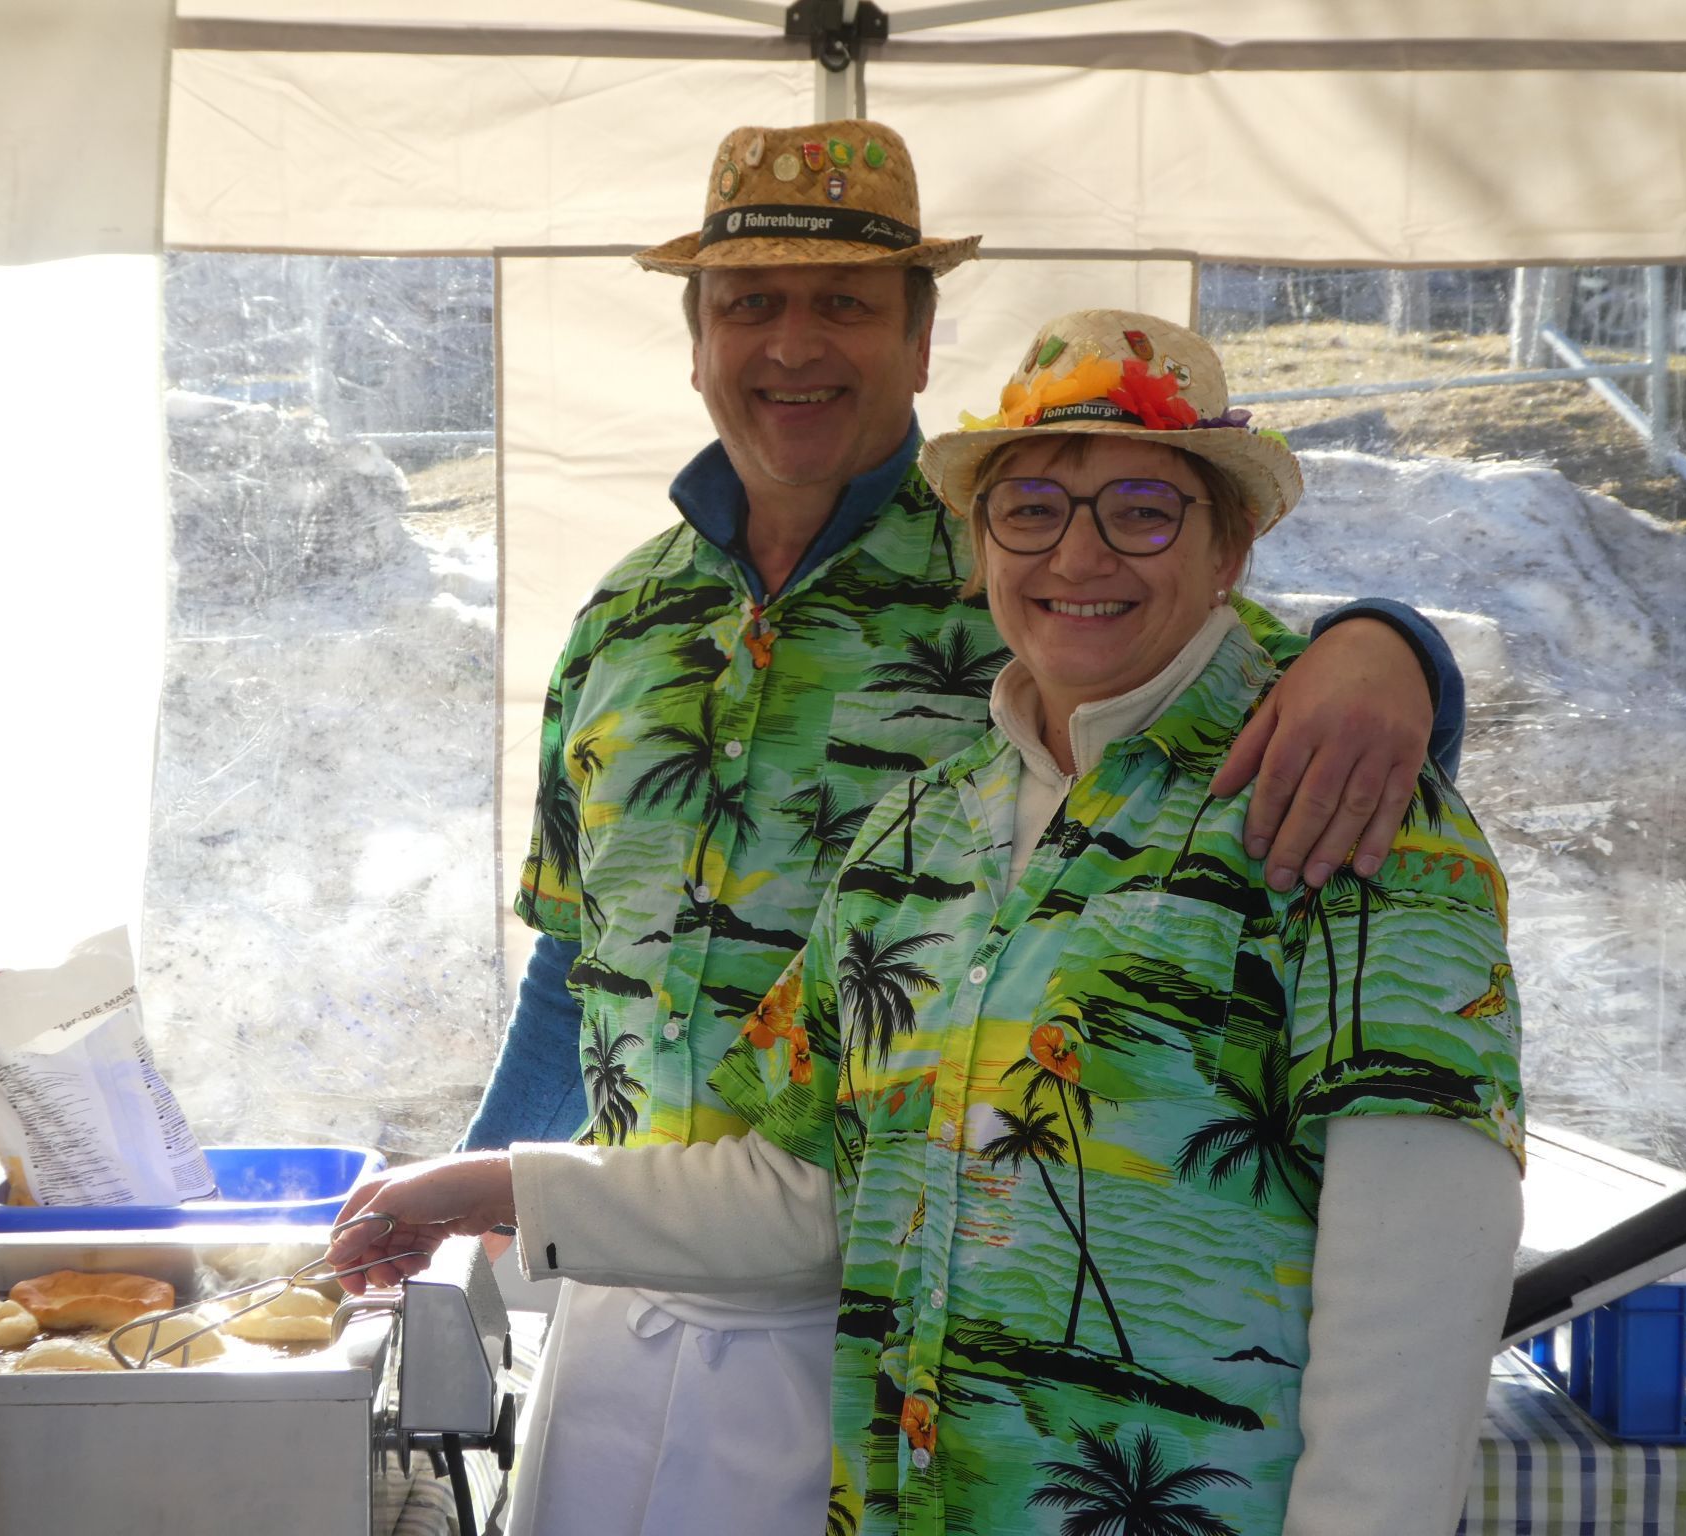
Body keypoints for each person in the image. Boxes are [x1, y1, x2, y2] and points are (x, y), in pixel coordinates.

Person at [357, 123, 1473, 1536]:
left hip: (885, 1331)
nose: (791, 343)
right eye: (747, 302)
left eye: (845, 302)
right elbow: (577, 967)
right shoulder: (629, 627)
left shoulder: (1031, 587)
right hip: (633, 1288)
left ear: (924, 336)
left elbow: (1289, 711)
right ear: (694, 338)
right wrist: (476, 1195)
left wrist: (1396, 648)